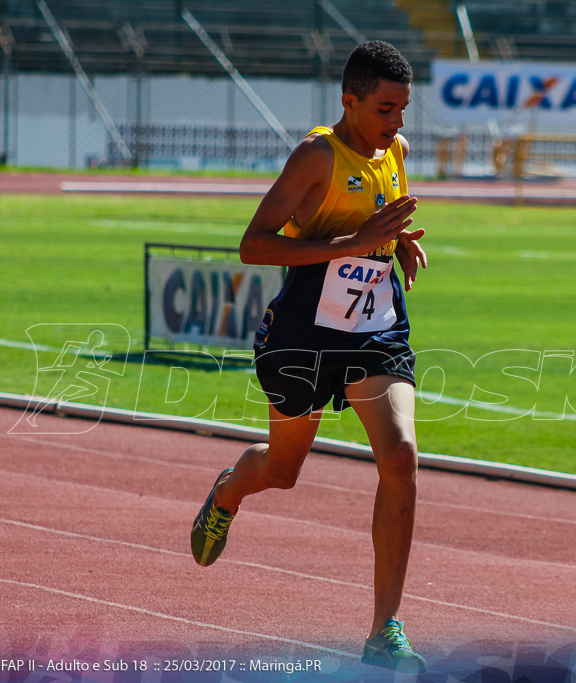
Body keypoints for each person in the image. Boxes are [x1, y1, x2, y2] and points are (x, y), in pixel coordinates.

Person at [190, 40, 428, 674]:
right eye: (385, 109)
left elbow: (378, 216)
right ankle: (228, 493)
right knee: (283, 469)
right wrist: (358, 242)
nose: (397, 123)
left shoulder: (396, 153)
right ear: (349, 101)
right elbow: (253, 246)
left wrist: (396, 245)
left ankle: (384, 631)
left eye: (403, 109)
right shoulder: (316, 155)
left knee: (401, 455)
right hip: (304, 328)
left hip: (375, 329)